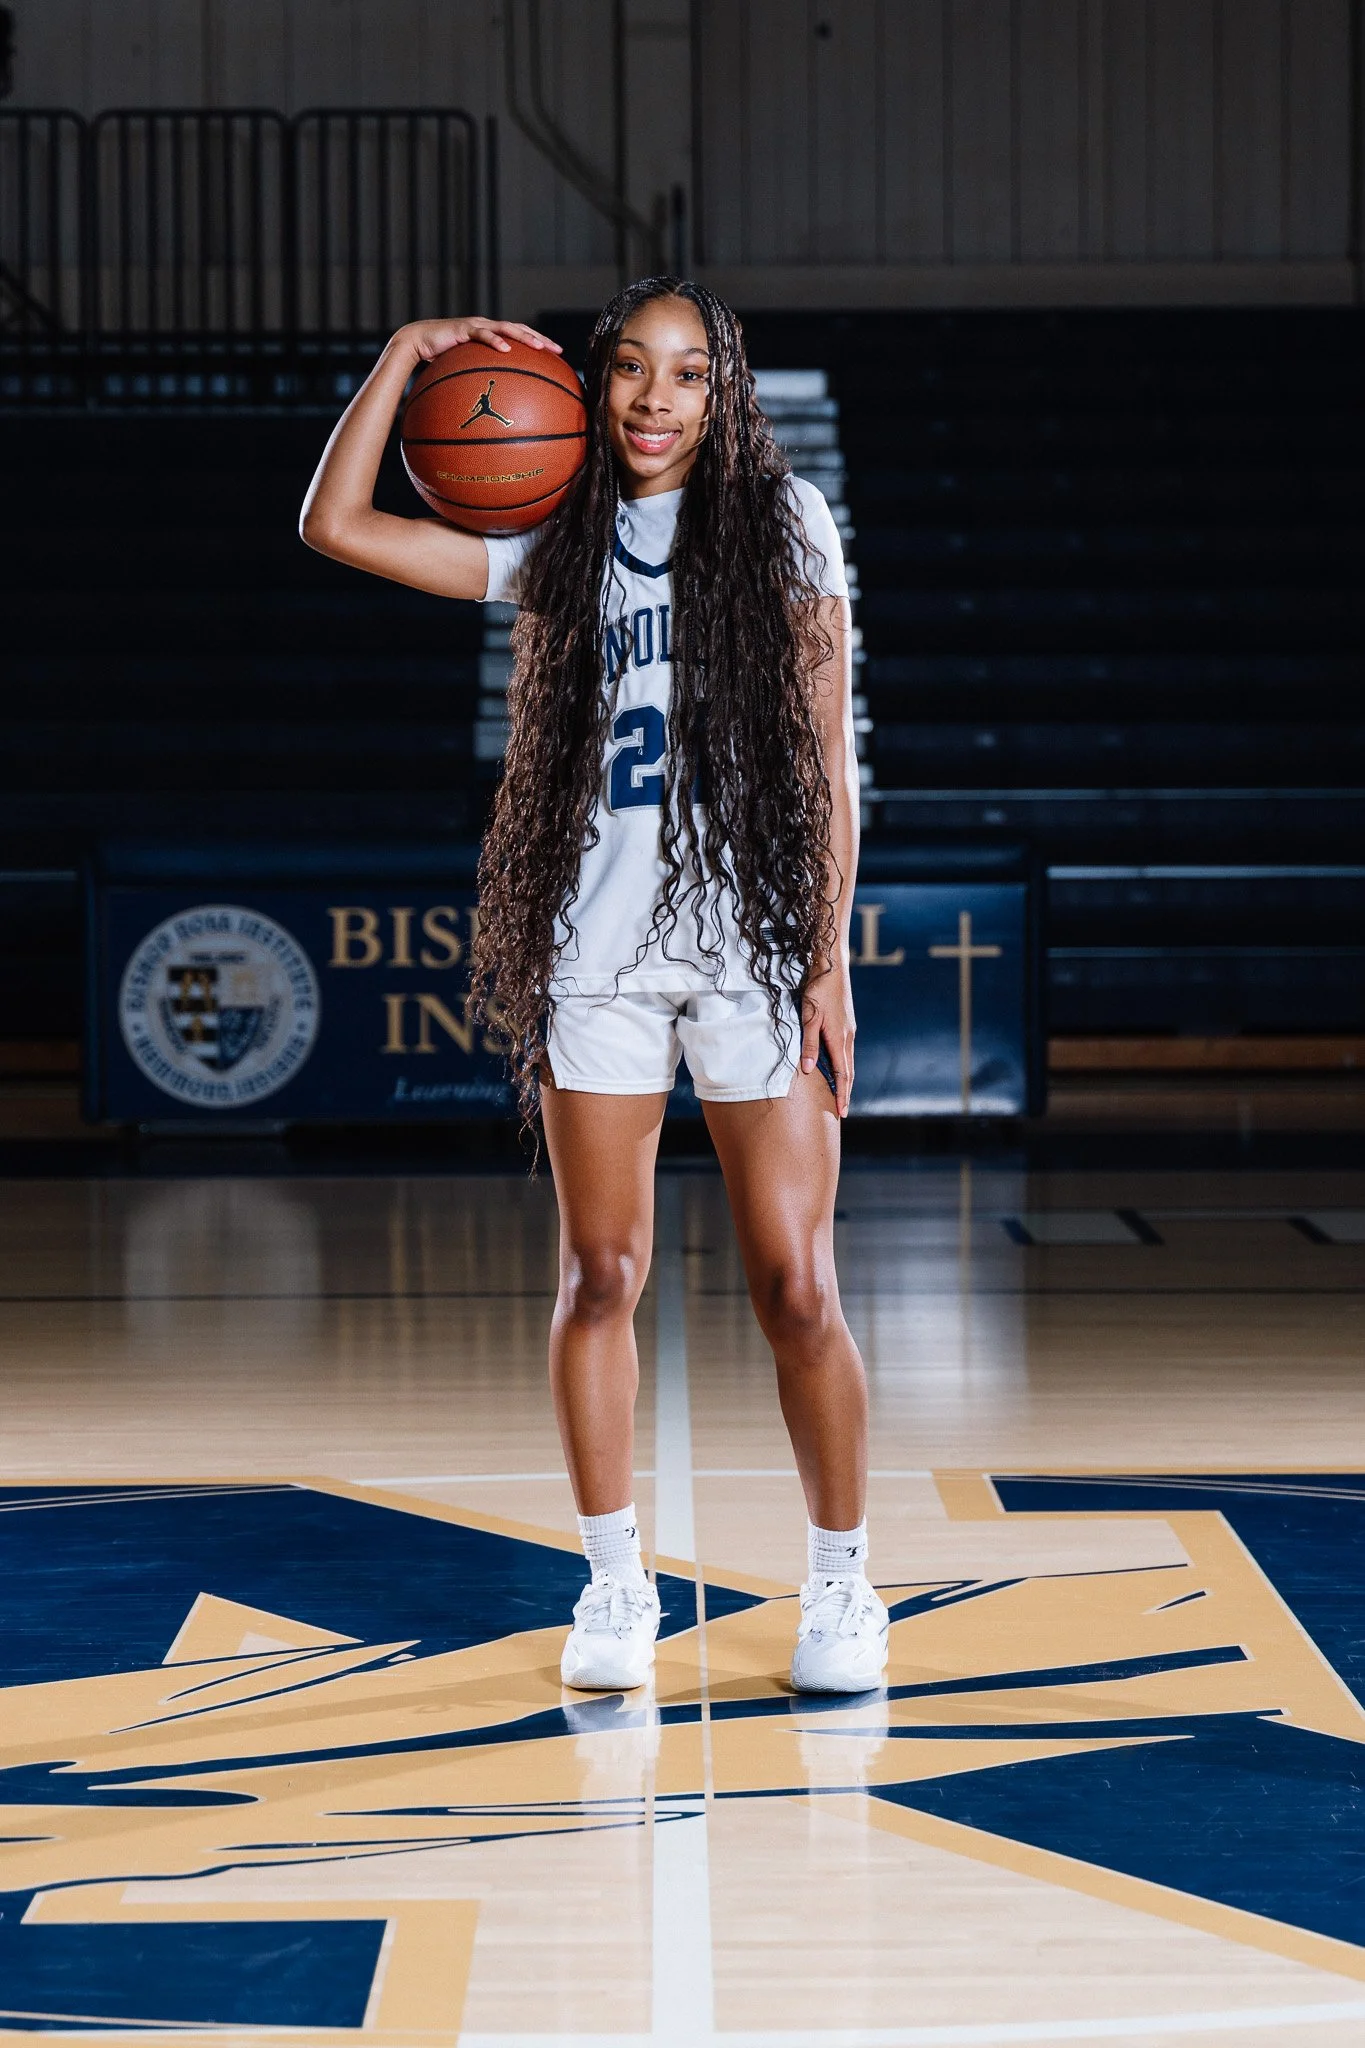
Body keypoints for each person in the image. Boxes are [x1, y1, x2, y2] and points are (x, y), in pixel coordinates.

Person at [300, 277, 886, 1695]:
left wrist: (826, 958)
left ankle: (844, 1586)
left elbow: (824, 762)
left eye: (686, 374)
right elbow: (336, 526)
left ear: (722, 392)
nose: (653, 398)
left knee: (798, 1286)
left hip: (752, 945)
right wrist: (400, 355)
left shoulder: (783, 525)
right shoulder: (553, 533)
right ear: (593, 384)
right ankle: (614, 1586)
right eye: (629, 368)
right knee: (600, 1275)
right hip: (602, 951)